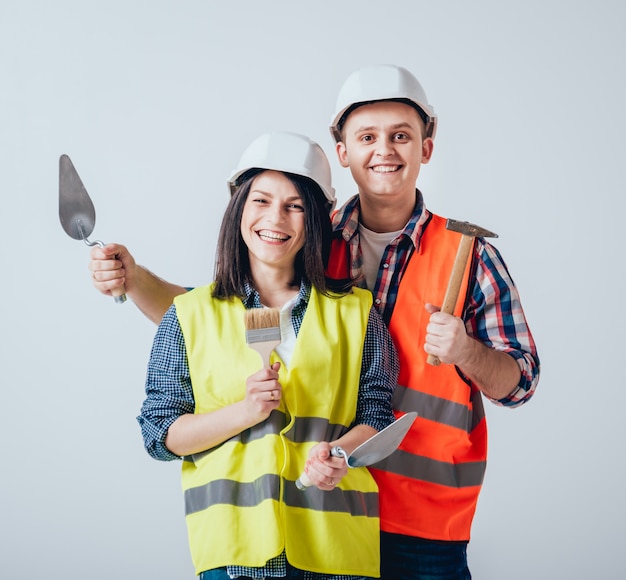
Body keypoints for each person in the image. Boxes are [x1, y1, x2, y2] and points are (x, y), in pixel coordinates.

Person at [89, 66, 540, 579]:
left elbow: (520, 383)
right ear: (343, 152)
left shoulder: (469, 258)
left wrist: (466, 351)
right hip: (322, 513)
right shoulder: (305, 239)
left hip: (422, 518)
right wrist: (133, 279)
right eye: (367, 137)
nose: (385, 151)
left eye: (401, 136)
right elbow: (217, 312)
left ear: (426, 148)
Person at [136, 131, 399, 579]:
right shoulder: (188, 315)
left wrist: (338, 453)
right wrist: (245, 411)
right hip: (236, 554)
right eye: (261, 200)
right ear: (239, 209)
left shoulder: (357, 313)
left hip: (335, 552)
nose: (276, 217)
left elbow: (377, 415)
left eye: (295, 205)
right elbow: (159, 434)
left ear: (316, 218)